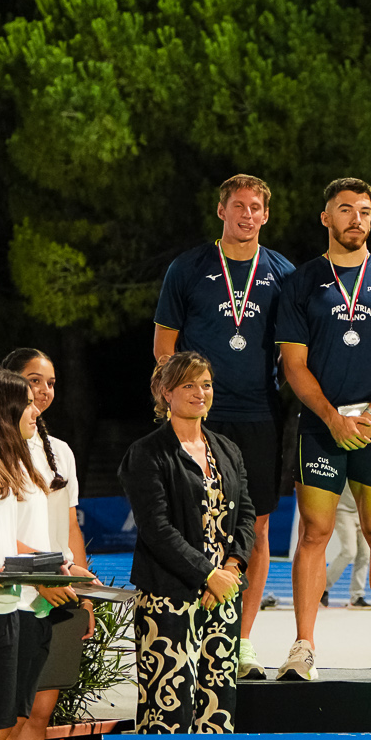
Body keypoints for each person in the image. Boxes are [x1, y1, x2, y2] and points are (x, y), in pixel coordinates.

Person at [272, 177, 371, 682]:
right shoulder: (301, 282)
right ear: (326, 218)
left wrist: (370, 416)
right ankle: (303, 647)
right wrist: (332, 418)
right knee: (314, 533)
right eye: (345, 209)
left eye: (364, 211)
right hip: (321, 426)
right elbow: (294, 365)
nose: (356, 219)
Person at [152, 173, 294, 675]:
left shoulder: (282, 272)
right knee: (190, 521)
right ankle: (192, 629)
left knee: (256, 527)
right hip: (200, 417)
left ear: (266, 215)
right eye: (238, 205)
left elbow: (293, 351)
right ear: (221, 210)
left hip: (259, 414)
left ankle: (242, 641)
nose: (247, 214)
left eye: (256, 207)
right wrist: (178, 400)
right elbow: (164, 346)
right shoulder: (187, 268)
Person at [119, 354, 253, 733]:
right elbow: (156, 529)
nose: (200, 393)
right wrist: (208, 574)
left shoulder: (227, 450)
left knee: (218, 713)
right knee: (168, 715)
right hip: (169, 598)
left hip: (223, 598)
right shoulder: (147, 453)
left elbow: (246, 514)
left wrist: (231, 569)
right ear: (166, 393)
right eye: (189, 385)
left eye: (206, 384)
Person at [0, 350, 92, 740]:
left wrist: (78, 581)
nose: (43, 392)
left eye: (51, 382)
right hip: (19, 592)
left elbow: (67, 524)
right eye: (33, 381)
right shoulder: (4, 454)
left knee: (33, 712)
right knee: (6, 718)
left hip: (50, 592)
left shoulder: (58, 452)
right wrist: (47, 573)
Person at [324, 485, 371, 607]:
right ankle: (322, 587)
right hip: (342, 510)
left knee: (365, 554)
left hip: (364, 512)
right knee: (349, 551)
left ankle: (357, 596)